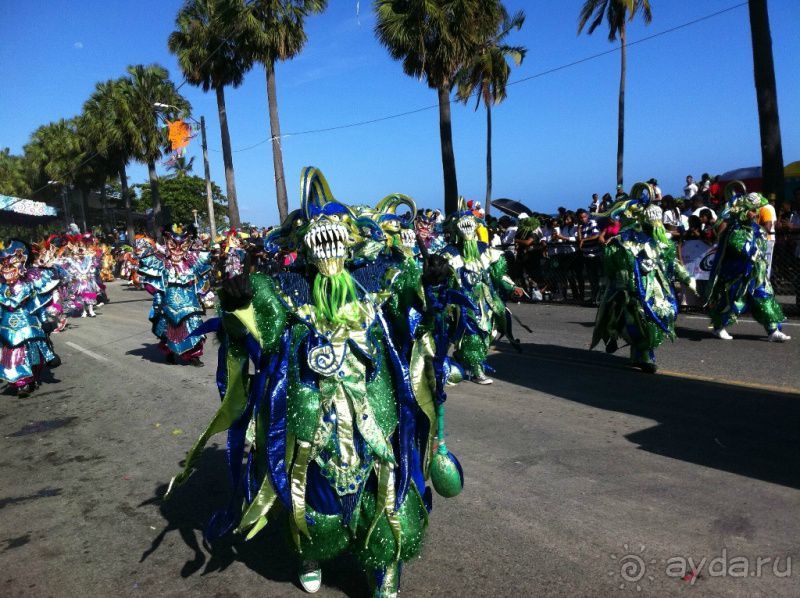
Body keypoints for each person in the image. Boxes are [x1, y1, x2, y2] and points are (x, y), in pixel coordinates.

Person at [166, 168, 464, 597]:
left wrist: (431, 284)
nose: (326, 237)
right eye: (315, 231)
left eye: (336, 229)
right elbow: (259, 336)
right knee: (313, 487)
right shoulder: (285, 288)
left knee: (383, 485)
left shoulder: (380, 277)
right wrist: (238, 304)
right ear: (300, 243)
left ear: (353, 237)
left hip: (375, 413)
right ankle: (311, 551)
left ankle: (384, 564)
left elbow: (412, 303)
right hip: (310, 414)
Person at [592, 184, 697, 373]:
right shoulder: (623, 243)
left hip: (654, 289)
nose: (657, 225)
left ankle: (642, 353)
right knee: (635, 318)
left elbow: (672, 262)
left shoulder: (660, 242)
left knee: (658, 316)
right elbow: (613, 266)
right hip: (629, 290)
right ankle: (643, 354)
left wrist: (687, 278)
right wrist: (623, 282)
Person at [442, 198, 523, 384]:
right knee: (471, 334)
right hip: (463, 303)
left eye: (471, 224)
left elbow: (498, 276)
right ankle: (477, 370)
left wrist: (513, 288)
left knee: (486, 334)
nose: (467, 228)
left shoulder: (485, 251)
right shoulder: (449, 254)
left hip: (486, 301)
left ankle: (465, 360)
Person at [706, 188, 790, 342]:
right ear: (744, 211)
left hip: (756, 274)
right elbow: (735, 248)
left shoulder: (756, 229)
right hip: (738, 275)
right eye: (753, 210)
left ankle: (773, 330)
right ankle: (719, 327)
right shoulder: (735, 230)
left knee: (765, 297)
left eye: (757, 210)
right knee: (733, 300)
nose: (756, 214)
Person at [137, 224, 212, 365]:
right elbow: (153, 282)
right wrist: (158, 297)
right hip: (169, 301)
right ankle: (169, 353)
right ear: (167, 242)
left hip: (189, 301)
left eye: (182, 245)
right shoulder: (161, 261)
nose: (177, 249)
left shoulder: (194, 259)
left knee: (194, 326)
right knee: (168, 328)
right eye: (173, 244)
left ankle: (193, 356)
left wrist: (203, 292)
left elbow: (202, 279)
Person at [0, 240, 61, 396]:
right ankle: (21, 382)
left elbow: (37, 305)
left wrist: (47, 319)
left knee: (31, 353)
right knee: (11, 354)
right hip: (7, 325)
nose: (7, 268)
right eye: (4, 264)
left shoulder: (30, 285)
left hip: (28, 323)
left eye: (11, 264)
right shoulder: (2, 288)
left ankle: (29, 379)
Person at [577, 209, 602, 304]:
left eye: (584, 217)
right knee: (591, 278)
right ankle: (593, 297)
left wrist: (584, 240)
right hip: (586, 254)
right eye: (581, 218)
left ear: (587, 216)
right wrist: (579, 230)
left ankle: (597, 298)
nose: (583, 219)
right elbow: (579, 239)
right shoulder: (582, 227)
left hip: (594, 254)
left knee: (596, 277)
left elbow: (596, 235)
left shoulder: (592, 223)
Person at [757, 193, 777, 278]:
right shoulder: (767, 208)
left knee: (765, 263)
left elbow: (770, 225)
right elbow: (774, 223)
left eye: (774, 200)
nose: (773, 202)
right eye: (771, 200)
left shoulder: (766, 208)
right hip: (768, 238)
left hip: (767, 238)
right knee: (765, 263)